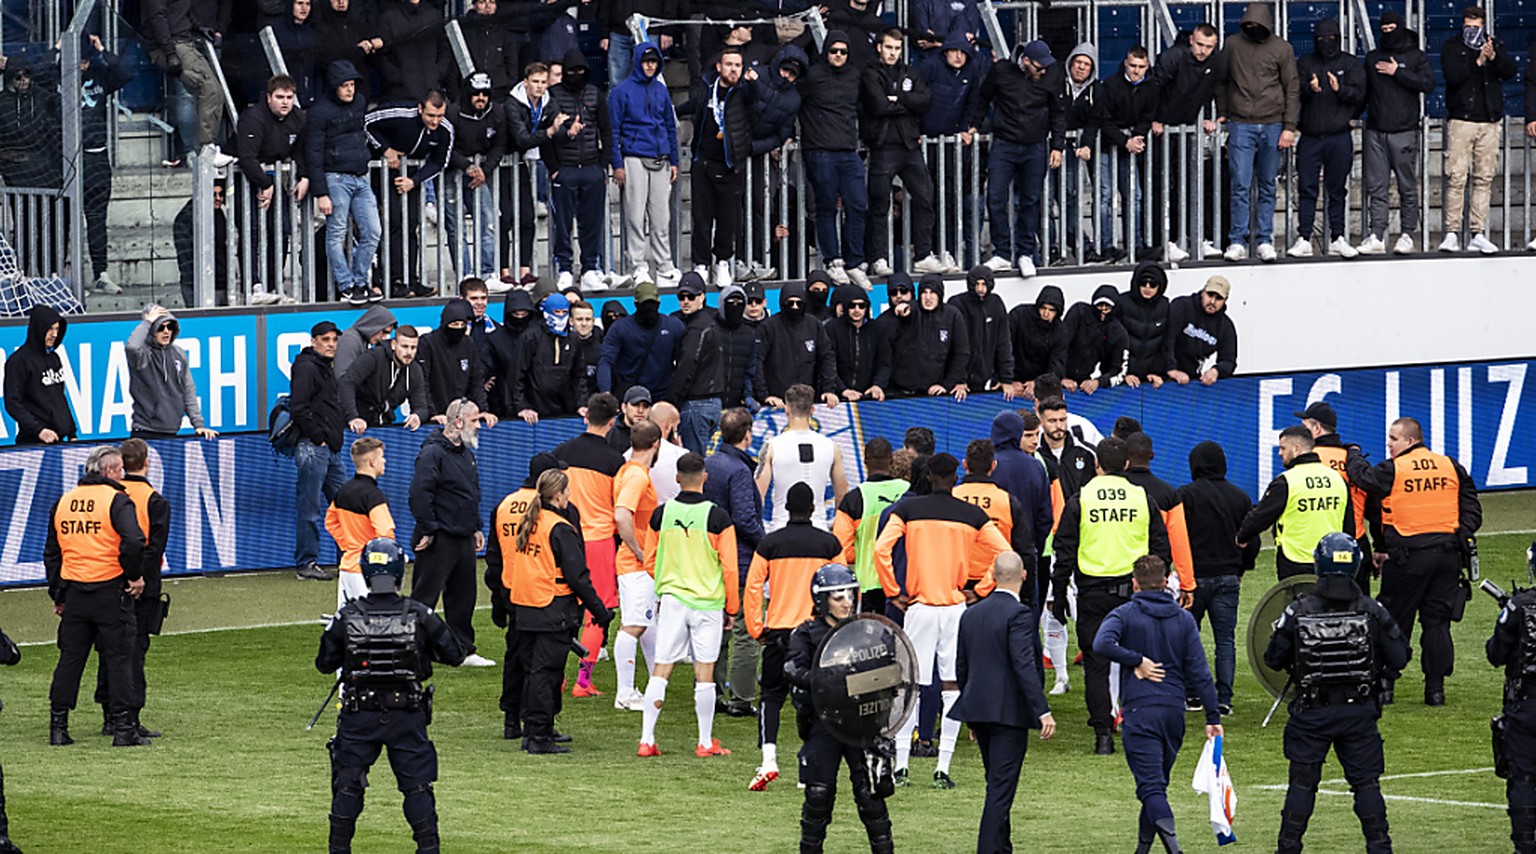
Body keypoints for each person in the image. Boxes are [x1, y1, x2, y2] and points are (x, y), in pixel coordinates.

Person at [316, 538, 466, 851]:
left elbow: (324, 664)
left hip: (358, 716)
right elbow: (454, 653)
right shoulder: (420, 614)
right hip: (407, 715)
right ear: (399, 572)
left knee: (348, 786)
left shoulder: (347, 616)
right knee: (417, 788)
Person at [1263, 533, 1409, 854]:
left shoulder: (1298, 610)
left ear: (1318, 564)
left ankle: (1288, 848)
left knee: (1302, 785)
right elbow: (1400, 656)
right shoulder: (1372, 610)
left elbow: (1272, 659)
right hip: (1359, 713)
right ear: (1356, 564)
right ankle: (1380, 847)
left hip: (1311, 714)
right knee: (1366, 785)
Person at [876, 452, 1010, 787]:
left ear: (929, 477)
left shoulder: (906, 510)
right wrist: (981, 589)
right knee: (952, 685)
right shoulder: (972, 515)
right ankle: (942, 769)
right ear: (956, 478)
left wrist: (893, 591)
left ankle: (902, 766)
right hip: (954, 607)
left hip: (918, 606)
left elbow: (881, 549)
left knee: (909, 686)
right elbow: (1007, 553)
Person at [1346, 416, 1482, 706]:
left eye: (1393, 439)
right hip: (1447, 556)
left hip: (1408, 558)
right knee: (1437, 624)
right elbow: (1472, 506)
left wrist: (1354, 455)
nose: (1389, 445)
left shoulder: (1394, 468)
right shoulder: (1449, 465)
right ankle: (1435, 690)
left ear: (1410, 441)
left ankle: (1385, 685)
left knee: (1394, 621)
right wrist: (1461, 531)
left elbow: (1362, 479)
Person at [1093, 554, 1222, 854]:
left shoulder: (1124, 614)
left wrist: (1136, 660)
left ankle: (1175, 850)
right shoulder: (1184, 619)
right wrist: (1213, 715)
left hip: (1141, 712)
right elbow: (1201, 673)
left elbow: (1101, 644)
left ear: (1134, 583)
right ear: (1165, 582)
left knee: (1150, 789)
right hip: (1173, 713)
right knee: (1156, 787)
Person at [1051, 436, 1170, 754]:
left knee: (1096, 664)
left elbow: (1064, 551)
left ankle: (1103, 735)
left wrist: (1059, 595)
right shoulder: (1142, 497)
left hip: (1093, 592)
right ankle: (1141, 725)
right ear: (1128, 464)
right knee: (1143, 659)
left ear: (1096, 465)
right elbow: (1161, 546)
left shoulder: (1082, 498)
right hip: (1136, 593)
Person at [498, 469, 613, 754]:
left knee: (532, 672)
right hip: (552, 607)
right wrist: (600, 611)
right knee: (545, 674)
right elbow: (578, 577)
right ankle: (539, 735)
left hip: (526, 605)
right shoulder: (559, 528)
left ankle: (535, 731)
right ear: (559, 494)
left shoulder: (533, 521)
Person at [948, 551, 1055, 852]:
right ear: (1023, 576)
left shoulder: (971, 613)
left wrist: (971, 712)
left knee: (996, 784)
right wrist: (1042, 709)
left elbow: (962, 666)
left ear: (992, 577)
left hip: (980, 710)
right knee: (1000, 790)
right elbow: (1024, 664)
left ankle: (1001, 848)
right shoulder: (1019, 614)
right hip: (1008, 714)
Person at [784, 564, 894, 853]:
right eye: (837, 597)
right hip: (824, 722)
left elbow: (891, 674)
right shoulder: (805, 633)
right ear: (822, 600)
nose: (846, 602)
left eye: (849, 595)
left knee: (871, 797)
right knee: (818, 796)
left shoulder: (870, 631)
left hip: (863, 723)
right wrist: (825, 680)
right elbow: (793, 668)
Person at [637, 453, 740, 758]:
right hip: (708, 602)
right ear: (704, 477)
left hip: (672, 600)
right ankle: (705, 742)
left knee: (661, 668)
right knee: (704, 671)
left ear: (677, 478)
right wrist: (731, 608)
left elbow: (649, 560)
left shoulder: (661, 514)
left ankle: (647, 740)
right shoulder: (719, 517)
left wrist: (666, 582)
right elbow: (730, 568)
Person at [744, 482, 844, 791]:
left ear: (786, 509)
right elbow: (841, 588)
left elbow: (753, 587)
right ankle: (811, 766)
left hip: (779, 629)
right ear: (813, 509)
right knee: (817, 699)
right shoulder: (829, 544)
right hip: (817, 635)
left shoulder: (770, 543)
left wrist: (756, 628)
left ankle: (769, 759)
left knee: (771, 696)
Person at [45, 445, 147, 748]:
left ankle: (58, 726)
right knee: (119, 659)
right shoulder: (116, 500)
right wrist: (134, 576)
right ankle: (123, 728)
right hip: (110, 590)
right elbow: (133, 541)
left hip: (75, 592)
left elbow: (52, 553)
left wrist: (58, 594)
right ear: (112, 471)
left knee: (70, 660)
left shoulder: (65, 501)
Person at [88, 438, 169, 742]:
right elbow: (154, 548)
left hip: (108, 581)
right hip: (140, 586)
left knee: (108, 648)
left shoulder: (108, 495)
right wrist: (138, 578)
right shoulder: (154, 500)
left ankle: (109, 713)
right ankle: (130, 715)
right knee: (134, 652)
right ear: (146, 461)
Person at [553, 393, 627, 696]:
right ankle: (584, 680)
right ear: (612, 423)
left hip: (563, 536)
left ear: (586, 417)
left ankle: (555, 677)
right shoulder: (615, 460)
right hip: (598, 541)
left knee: (559, 607)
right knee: (598, 610)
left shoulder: (562, 452)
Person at [409, 399, 493, 668]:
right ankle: (414, 649)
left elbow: (471, 494)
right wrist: (429, 529)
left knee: (463, 597)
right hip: (440, 537)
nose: (478, 426)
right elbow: (420, 494)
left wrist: (476, 526)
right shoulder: (432, 453)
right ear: (458, 421)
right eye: (474, 420)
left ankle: (462, 650)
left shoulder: (466, 454)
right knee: (425, 597)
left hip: (463, 535)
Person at [1176, 441, 1257, 715]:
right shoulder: (1239, 496)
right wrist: (1243, 567)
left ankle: (1191, 695)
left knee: (1188, 638)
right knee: (1225, 640)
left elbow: (1175, 536)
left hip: (1194, 580)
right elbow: (1252, 538)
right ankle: (1224, 699)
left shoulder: (1184, 495)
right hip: (1228, 578)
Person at [973, 40, 1066, 279]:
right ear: (1025, 61)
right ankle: (1002, 252)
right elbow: (983, 98)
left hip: (1036, 146)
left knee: (1031, 201)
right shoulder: (1001, 71)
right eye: (1038, 66)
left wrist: (1058, 146)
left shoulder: (1052, 75)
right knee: (995, 198)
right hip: (1004, 144)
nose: (1043, 70)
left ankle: (1026, 252)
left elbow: (1058, 112)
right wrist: (973, 125)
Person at [1215, 2, 1298, 263]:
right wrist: (1225, 112)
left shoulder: (1282, 48)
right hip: (1240, 124)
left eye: (1257, 26)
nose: (1253, 29)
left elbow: (1292, 87)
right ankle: (1237, 240)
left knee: (1267, 185)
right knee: (1239, 184)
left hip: (1273, 125)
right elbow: (1221, 80)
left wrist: (1289, 126)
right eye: (1248, 25)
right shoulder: (1232, 45)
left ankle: (1264, 239)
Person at [861, 28, 942, 276]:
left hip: (909, 145)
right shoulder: (870, 73)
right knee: (879, 204)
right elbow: (878, 105)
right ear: (879, 47)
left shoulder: (910, 72)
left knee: (926, 196)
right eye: (889, 47)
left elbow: (926, 101)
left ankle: (924, 254)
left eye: (897, 48)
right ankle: (878, 258)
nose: (893, 53)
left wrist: (897, 98)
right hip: (883, 145)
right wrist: (905, 102)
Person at [1439, 6, 1516, 255]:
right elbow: (1453, 77)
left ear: (1484, 26)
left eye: (1477, 27)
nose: (1472, 31)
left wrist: (1494, 57)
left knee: (1484, 177)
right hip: (1462, 120)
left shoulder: (1495, 44)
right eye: (1468, 27)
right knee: (1457, 177)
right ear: (1462, 25)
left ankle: (1477, 232)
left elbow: (1510, 72)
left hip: (1489, 121)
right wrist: (1478, 61)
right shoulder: (1452, 47)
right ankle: (1451, 232)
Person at [703, 407, 765, 715]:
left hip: (709, 558)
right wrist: (765, 545)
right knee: (745, 629)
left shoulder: (709, 463)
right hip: (739, 562)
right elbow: (745, 518)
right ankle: (741, 698)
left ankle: (710, 692)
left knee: (716, 629)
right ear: (747, 434)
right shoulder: (738, 471)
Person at [799, 32, 871, 288]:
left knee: (858, 205)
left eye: (843, 51)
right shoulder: (812, 75)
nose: (838, 55)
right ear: (825, 51)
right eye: (834, 51)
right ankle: (834, 261)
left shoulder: (855, 76)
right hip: (820, 150)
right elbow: (792, 103)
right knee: (826, 207)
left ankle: (854, 262)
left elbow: (864, 107)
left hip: (848, 150)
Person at [1359, 12, 1434, 256]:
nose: (1389, 32)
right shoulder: (1372, 59)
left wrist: (1397, 71)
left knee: (1407, 186)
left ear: (1401, 28)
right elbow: (1364, 93)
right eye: (1385, 28)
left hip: (1405, 130)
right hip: (1376, 131)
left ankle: (1406, 234)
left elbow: (1427, 84)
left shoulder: (1416, 56)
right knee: (1376, 187)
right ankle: (1377, 234)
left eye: (1393, 27)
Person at [366, 91, 454, 299]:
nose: (435, 121)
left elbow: (440, 162)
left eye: (440, 116)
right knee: (393, 223)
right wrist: (385, 149)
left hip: (411, 177)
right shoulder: (401, 113)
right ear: (420, 109)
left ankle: (410, 278)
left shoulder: (445, 129)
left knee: (411, 224)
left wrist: (413, 182)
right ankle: (391, 280)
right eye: (431, 115)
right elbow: (366, 122)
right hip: (381, 171)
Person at [1291, 19, 1364, 259]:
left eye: (1330, 38)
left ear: (1338, 38)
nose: (1325, 43)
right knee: (1307, 189)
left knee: (1336, 190)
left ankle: (1337, 237)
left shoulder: (1350, 63)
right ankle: (1303, 238)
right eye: (1321, 39)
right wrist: (1310, 89)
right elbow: (1294, 92)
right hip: (1310, 137)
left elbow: (1359, 95)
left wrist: (1338, 89)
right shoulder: (1306, 62)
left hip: (1339, 136)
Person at [609, 41, 681, 286]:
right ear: (637, 62)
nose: (650, 66)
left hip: (660, 158)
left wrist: (674, 160)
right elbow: (613, 131)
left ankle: (664, 266)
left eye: (654, 61)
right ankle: (638, 266)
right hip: (633, 158)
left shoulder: (661, 90)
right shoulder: (621, 91)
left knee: (662, 217)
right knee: (635, 216)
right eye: (646, 61)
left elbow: (670, 126)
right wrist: (617, 164)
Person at [307, 61, 380, 303]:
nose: (350, 90)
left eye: (352, 85)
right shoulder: (319, 112)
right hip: (335, 178)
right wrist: (321, 193)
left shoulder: (359, 102)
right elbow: (314, 153)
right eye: (344, 86)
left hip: (360, 176)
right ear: (333, 86)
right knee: (337, 233)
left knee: (373, 230)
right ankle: (346, 284)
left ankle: (360, 282)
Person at [1148, 23, 1222, 262]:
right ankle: (1164, 241)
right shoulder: (1173, 57)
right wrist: (1154, 118)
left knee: (1188, 184)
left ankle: (1194, 238)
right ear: (1191, 39)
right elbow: (1153, 88)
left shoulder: (1214, 62)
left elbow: (1219, 89)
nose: (1203, 50)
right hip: (1160, 132)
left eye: (1209, 47)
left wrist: (1215, 116)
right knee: (1161, 186)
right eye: (1200, 44)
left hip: (1185, 131)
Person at [234, 74, 310, 305]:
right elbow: (247, 158)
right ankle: (253, 287)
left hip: (277, 181)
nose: (285, 102)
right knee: (253, 231)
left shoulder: (298, 117)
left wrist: (305, 175)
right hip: (248, 179)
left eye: (289, 97)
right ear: (268, 98)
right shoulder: (253, 117)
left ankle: (274, 285)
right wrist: (265, 184)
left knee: (282, 229)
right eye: (279, 97)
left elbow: (302, 150)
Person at [1239, 425, 1352, 579]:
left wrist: (1242, 537)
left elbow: (1260, 517)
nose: (1279, 453)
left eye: (1283, 448)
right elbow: (1349, 525)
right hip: (1332, 559)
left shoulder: (1287, 481)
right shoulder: (1337, 479)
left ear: (1297, 449)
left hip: (1295, 561)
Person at [545, 48, 612, 292]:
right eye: (571, 71)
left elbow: (606, 130)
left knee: (591, 223)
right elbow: (546, 135)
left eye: (580, 71)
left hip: (592, 169)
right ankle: (564, 269)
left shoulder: (596, 94)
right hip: (565, 169)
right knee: (563, 224)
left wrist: (603, 166)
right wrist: (554, 168)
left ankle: (589, 269)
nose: (576, 75)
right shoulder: (552, 95)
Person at [611, 421, 663, 711]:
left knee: (647, 624)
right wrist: (640, 551)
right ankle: (625, 692)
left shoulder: (627, 470)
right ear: (656, 443)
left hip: (638, 563)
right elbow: (621, 515)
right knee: (634, 626)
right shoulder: (636, 476)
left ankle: (656, 682)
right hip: (636, 564)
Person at [1486, 555, 1536, 853]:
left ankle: (1525, 845)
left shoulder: (1520, 606)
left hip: (1526, 705)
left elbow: (1495, 654)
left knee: (1524, 777)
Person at [78, 33, 134, 295]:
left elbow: (125, 73)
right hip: (65, 161)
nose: (80, 66)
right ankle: (63, 276)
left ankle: (100, 273)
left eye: (84, 61)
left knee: (97, 218)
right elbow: (37, 69)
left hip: (97, 157)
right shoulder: (55, 77)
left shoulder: (99, 75)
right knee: (64, 219)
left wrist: (101, 49)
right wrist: (56, 51)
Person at [292, 320, 346, 582]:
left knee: (345, 505)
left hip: (329, 448)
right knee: (310, 508)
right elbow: (298, 407)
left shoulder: (324, 367)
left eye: (334, 340)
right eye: (325, 340)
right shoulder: (306, 367)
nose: (331, 344)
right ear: (313, 341)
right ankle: (306, 563)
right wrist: (318, 437)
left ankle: (347, 559)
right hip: (314, 447)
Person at [757, 384, 851, 532]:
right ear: (812, 410)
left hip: (781, 532)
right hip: (819, 530)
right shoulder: (832, 447)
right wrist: (834, 524)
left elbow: (758, 495)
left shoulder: (771, 446)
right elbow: (842, 492)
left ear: (787, 410)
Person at [1297, 401, 1373, 584]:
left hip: (1320, 547)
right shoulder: (1353, 459)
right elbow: (1374, 505)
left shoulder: (1307, 459)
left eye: (1305, 427)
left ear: (1316, 428)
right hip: (1356, 542)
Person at [139, 0, 225, 158]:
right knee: (207, 89)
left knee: (213, 91)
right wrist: (170, 52)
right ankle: (205, 149)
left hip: (182, 41)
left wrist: (199, 28)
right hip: (172, 44)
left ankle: (205, 148)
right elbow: (157, 17)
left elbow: (180, 12)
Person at [834, 438, 910, 615]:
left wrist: (862, 554)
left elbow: (843, 550)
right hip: (905, 582)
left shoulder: (853, 499)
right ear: (891, 460)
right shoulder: (909, 491)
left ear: (865, 461)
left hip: (870, 585)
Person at [955, 439, 1039, 596]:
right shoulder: (1007, 501)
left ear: (965, 465)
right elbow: (1025, 551)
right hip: (998, 583)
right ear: (993, 466)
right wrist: (1026, 595)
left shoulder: (952, 497)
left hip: (955, 585)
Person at [1097, 47, 1157, 261]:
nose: (1136, 71)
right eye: (1133, 66)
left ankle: (1135, 244)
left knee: (1135, 195)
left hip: (1130, 146)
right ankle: (1106, 245)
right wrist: (1126, 141)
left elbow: (1148, 116)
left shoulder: (1151, 87)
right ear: (1125, 63)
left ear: (1147, 67)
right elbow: (1104, 120)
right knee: (1105, 195)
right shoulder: (1110, 85)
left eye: (1141, 67)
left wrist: (1137, 137)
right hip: (1106, 146)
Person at [445, 74, 506, 282]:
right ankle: (465, 275)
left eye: (485, 94)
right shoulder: (453, 112)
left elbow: (500, 145)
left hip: (480, 173)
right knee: (455, 227)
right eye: (476, 93)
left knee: (487, 221)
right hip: (452, 171)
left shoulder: (497, 111)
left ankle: (488, 273)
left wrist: (485, 170)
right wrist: (466, 165)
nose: (481, 98)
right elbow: (445, 146)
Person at [1122, 433, 1195, 604]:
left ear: (1125, 457)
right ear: (1152, 455)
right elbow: (1179, 542)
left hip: (1115, 574)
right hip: (1154, 578)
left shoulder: (1115, 491)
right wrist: (1187, 584)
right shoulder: (1168, 493)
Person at [125, 306, 217, 441]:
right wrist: (148, 321)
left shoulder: (178, 353)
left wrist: (198, 424)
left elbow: (188, 391)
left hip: (172, 432)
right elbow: (132, 347)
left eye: (170, 327)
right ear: (151, 331)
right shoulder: (144, 355)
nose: (166, 331)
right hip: (145, 431)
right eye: (160, 328)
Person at [325, 436, 394, 610]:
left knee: (346, 624)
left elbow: (330, 522)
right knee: (372, 623)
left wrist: (349, 545)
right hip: (366, 571)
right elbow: (385, 534)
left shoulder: (343, 490)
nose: (384, 460)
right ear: (371, 462)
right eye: (381, 457)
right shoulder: (374, 496)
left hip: (347, 566)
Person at [757, 281, 843, 406]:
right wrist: (764, 395)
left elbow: (826, 358)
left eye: (799, 303)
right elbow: (757, 362)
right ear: (782, 303)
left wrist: (828, 390)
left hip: (808, 400)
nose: (795, 307)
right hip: (777, 402)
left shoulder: (814, 324)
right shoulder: (768, 327)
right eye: (790, 303)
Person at [886, 274, 971, 400]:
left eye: (933, 293)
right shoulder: (913, 311)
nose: (928, 298)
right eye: (924, 293)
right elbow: (908, 310)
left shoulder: (952, 315)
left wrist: (947, 385)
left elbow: (961, 354)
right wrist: (904, 308)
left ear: (940, 295)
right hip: (902, 393)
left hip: (936, 395)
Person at [598, 282, 684, 403]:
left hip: (663, 396)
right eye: (645, 304)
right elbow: (605, 361)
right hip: (630, 396)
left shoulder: (674, 326)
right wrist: (606, 393)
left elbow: (684, 361)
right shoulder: (620, 328)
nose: (649, 308)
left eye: (652, 303)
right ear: (636, 303)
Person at [4, 305, 76, 446]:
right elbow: (12, 402)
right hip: (33, 442)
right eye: (50, 329)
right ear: (39, 329)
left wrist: (72, 432)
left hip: (59, 440)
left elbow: (59, 398)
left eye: (57, 329)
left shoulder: (54, 358)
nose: (54, 334)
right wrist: (39, 430)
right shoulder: (18, 361)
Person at [671, 272, 725, 454]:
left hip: (696, 404)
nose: (686, 301)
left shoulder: (697, 327)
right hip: (711, 402)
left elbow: (687, 366)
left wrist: (671, 401)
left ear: (702, 296)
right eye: (681, 296)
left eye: (691, 296)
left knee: (693, 465)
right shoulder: (709, 323)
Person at [512, 293, 587, 422]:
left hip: (566, 411)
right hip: (535, 412)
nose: (560, 316)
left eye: (564, 312)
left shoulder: (573, 339)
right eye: (557, 312)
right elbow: (517, 374)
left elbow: (579, 375)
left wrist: (582, 404)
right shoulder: (530, 337)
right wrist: (521, 406)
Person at [341, 325, 428, 432]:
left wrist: (417, 416)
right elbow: (347, 383)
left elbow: (422, 405)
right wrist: (353, 417)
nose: (409, 352)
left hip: (383, 425)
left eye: (413, 347)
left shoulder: (415, 370)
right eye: (404, 346)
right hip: (354, 425)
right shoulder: (373, 357)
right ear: (394, 344)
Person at [416, 299, 492, 420]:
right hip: (436, 417)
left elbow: (476, 380)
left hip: (462, 417)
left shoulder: (468, 344)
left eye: (462, 325)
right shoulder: (428, 343)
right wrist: (433, 413)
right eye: (454, 325)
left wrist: (482, 410)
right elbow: (422, 382)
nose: (459, 328)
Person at [950, 266, 1014, 397]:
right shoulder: (957, 303)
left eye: (984, 284)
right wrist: (958, 379)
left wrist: (1005, 378)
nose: (980, 289)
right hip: (959, 384)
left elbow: (1003, 343)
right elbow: (954, 347)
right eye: (977, 284)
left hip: (985, 379)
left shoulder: (996, 303)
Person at [1164, 276, 1237, 385]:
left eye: (1218, 298)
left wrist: (1216, 371)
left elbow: (1229, 360)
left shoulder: (1226, 326)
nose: (1212, 301)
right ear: (1203, 292)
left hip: (1192, 378)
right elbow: (1167, 339)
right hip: (1162, 373)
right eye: (1210, 295)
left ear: (1225, 301)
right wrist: (1171, 369)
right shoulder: (1182, 306)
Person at [1062, 286, 1129, 393]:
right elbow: (1059, 346)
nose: (1103, 311)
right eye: (1099, 306)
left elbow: (1118, 370)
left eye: (1107, 307)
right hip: (1060, 379)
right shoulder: (1079, 312)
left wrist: (1098, 382)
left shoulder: (1119, 332)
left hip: (1086, 382)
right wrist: (1060, 378)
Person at [1116, 262, 1170, 388]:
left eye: (1153, 284)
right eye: (1143, 282)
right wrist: (1123, 373)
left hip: (1150, 378)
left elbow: (1165, 344)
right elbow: (1114, 343)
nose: (1147, 287)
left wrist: (1157, 373)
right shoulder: (1122, 303)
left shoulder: (1165, 306)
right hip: (1122, 378)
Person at [1008, 287, 1068, 395]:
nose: (1046, 313)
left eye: (1051, 310)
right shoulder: (1019, 315)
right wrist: (1007, 380)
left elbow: (1057, 365)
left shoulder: (1060, 331)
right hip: (1011, 381)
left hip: (1039, 386)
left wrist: (1038, 383)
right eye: (1043, 308)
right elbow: (1003, 348)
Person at [334, 305, 398, 380]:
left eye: (388, 333)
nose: (384, 338)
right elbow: (342, 378)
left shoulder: (361, 340)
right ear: (374, 326)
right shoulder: (350, 340)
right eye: (384, 332)